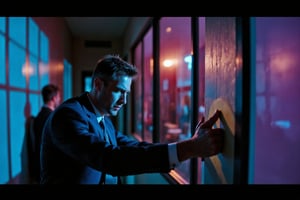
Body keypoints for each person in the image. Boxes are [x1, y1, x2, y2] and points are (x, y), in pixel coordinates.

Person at [40, 54, 224, 184]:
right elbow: (110, 159)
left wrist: (189, 146)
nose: (124, 100)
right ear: (97, 84)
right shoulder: (67, 116)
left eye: (126, 93)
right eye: (119, 91)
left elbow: (134, 146)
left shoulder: (103, 118)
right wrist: (191, 147)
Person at [31, 84, 61, 183]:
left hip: (38, 164)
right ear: (54, 98)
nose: (59, 99)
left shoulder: (38, 116)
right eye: (58, 97)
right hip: (51, 167)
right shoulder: (53, 117)